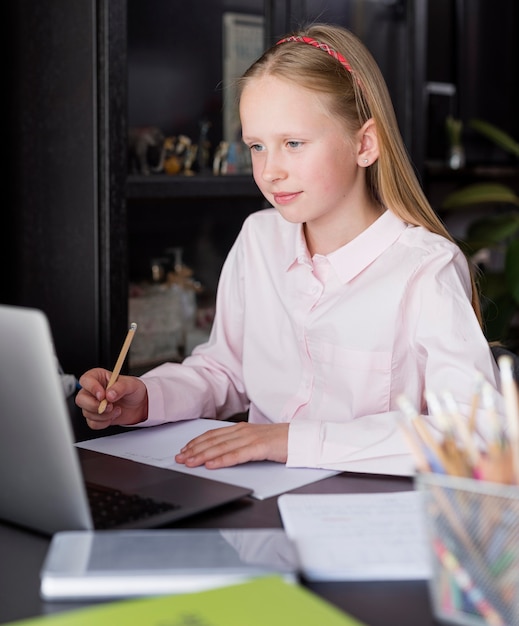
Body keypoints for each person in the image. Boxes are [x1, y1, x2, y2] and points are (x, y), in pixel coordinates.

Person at [76, 23, 501, 472]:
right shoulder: (258, 240)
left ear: (365, 144)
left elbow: (473, 433)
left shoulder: (423, 269)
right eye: (257, 146)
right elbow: (226, 370)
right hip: (259, 501)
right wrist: (145, 398)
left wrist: (289, 440)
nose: (270, 171)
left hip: (365, 518)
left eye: (293, 144)